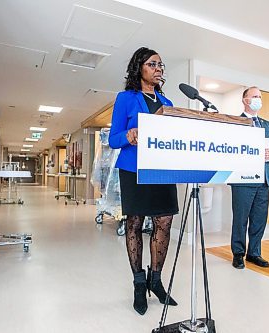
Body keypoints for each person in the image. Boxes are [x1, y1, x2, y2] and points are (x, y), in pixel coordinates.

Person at [109, 47, 178, 315]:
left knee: (164, 222)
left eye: (161, 64)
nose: (159, 68)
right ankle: (139, 284)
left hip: (163, 170)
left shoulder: (168, 104)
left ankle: (156, 281)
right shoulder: (126, 98)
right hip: (134, 170)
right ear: (139, 68)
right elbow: (114, 138)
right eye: (153, 64)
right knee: (135, 224)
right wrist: (129, 135)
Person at [230, 86, 269, 269]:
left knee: (259, 219)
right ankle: (238, 254)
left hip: (263, 180)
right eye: (255, 96)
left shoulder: (268, 125)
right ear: (245, 100)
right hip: (243, 180)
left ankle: (254, 253)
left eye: (260, 96)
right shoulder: (235, 122)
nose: (258, 99)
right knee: (240, 219)